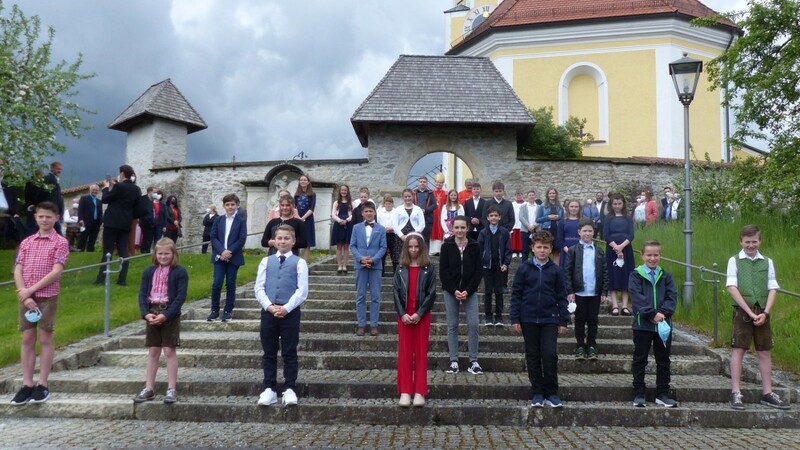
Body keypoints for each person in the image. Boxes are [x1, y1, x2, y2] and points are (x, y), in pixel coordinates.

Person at [10, 201, 69, 405]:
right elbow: (18, 269)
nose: (44, 220)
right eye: (41, 216)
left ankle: (42, 384)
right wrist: (24, 295)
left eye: (48, 217)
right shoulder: (27, 242)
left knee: (45, 338)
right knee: (27, 338)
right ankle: (27, 384)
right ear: (35, 217)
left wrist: (31, 290)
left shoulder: (60, 242)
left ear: (56, 218)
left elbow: (56, 271)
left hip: (47, 296)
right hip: (26, 298)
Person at [726, 225, 790, 410]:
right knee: (739, 349)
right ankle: (735, 392)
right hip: (743, 311)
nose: (751, 245)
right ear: (741, 242)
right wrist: (750, 312)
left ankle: (767, 393)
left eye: (754, 242)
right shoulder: (734, 260)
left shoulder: (767, 261)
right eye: (747, 242)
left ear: (759, 241)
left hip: (762, 311)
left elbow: (773, 287)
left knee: (764, 351)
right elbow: (731, 287)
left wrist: (765, 312)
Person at [510, 230, 569, 408]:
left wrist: (563, 320)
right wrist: (515, 318)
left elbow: (562, 296)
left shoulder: (556, 271)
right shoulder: (524, 268)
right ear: (532, 248)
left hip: (549, 319)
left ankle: (551, 392)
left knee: (549, 355)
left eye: (545, 247)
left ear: (551, 249)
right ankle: (537, 392)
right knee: (533, 356)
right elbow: (516, 295)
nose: (542, 250)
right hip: (528, 318)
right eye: (539, 247)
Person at [255, 225, 309, 407]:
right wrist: (269, 306)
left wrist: (286, 308)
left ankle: (290, 387)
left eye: (287, 238)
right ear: (274, 241)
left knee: (289, 351)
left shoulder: (300, 263)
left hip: (290, 313)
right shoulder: (266, 262)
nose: (283, 241)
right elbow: (259, 287)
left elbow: (302, 291)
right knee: (269, 351)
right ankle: (269, 387)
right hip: (269, 312)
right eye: (279, 238)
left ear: (293, 241)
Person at [132, 238, 188, 405]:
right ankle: (149, 387)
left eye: (167, 253)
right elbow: (142, 294)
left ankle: (171, 388)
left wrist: (168, 314)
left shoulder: (180, 272)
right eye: (160, 253)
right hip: (152, 311)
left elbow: (180, 297)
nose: (163, 256)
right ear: (155, 254)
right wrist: (145, 313)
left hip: (169, 313)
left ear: (173, 254)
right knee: (153, 351)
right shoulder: (149, 272)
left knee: (169, 350)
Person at [629, 240, 678, 408]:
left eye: (656, 255)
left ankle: (663, 393)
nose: (652, 258)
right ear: (642, 255)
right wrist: (651, 313)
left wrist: (662, 314)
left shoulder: (666, 276)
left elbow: (672, 297)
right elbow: (637, 297)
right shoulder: (635, 275)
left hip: (663, 325)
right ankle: (639, 393)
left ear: (660, 256)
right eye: (649, 255)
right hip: (643, 325)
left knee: (663, 360)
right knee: (640, 359)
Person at [393, 233, 437, 407]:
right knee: (404, 352)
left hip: (422, 315)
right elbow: (395, 292)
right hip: (404, 315)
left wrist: (419, 313)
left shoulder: (429, 267)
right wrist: (402, 313)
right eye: (410, 246)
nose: (413, 250)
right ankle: (405, 391)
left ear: (421, 248)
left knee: (420, 353)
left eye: (416, 246)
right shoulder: (400, 268)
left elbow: (431, 293)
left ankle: (419, 391)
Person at [440, 216, 483, 375]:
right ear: (452, 229)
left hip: (469, 291)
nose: (459, 231)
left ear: (467, 228)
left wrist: (468, 290)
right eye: (456, 227)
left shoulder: (475, 245)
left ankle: (473, 360)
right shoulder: (446, 246)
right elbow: (443, 271)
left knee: (473, 324)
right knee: (452, 326)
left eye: (462, 227)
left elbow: (479, 271)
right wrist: (454, 290)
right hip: (451, 290)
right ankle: (454, 360)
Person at [564, 218, 608, 360]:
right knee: (580, 319)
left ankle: (592, 345)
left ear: (594, 232)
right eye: (585, 231)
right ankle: (580, 345)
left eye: (590, 231)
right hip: (579, 291)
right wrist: (570, 291)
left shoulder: (599, 251)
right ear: (579, 232)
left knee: (593, 319)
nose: (587, 233)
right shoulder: (573, 250)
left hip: (594, 291)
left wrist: (604, 291)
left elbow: (605, 272)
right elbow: (567, 271)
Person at [94, 165, 141, 286]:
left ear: (122, 174)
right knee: (123, 251)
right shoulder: (136, 189)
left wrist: (105, 187)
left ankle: (101, 279)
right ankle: (122, 279)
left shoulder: (119, 186)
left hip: (112, 221)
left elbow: (105, 199)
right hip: (125, 222)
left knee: (107, 250)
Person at [207, 194, 247, 323]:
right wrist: (222, 251)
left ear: (237, 205)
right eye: (227, 204)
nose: (230, 207)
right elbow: (213, 237)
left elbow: (241, 239)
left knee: (230, 284)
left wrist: (230, 251)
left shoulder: (240, 221)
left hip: (233, 257)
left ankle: (228, 311)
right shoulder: (218, 220)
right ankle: (214, 310)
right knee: (216, 283)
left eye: (232, 204)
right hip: (219, 256)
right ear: (224, 206)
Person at [349, 201, 387, 336]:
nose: (369, 213)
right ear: (362, 213)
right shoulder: (356, 228)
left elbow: (383, 247)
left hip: (376, 266)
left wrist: (374, 259)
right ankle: (361, 324)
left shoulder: (381, 229)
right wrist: (361, 258)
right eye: (366, 211)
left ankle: (374, 325)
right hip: (360, 265)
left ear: (375, 212)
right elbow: (352, 246)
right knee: (360, 296)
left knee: (375, 296)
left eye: (371, 211)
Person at [477, 205, 511, 326]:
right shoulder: (483, 232)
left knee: (499, 291)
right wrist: (481, 263)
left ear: (499, 217)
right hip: (487, 265)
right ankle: (488, 316)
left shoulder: (504, 232)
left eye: (496, 215)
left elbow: (508, 249)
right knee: (488, 291)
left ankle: (499, 317)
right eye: (491, 215)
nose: (493, 218)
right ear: (487, 217)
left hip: (500, 265)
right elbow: (479, 249)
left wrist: (506, 263)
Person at [604, 193, 635, 316]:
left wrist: (621, 246)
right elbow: (606, 234)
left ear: (623, 204)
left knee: (626, 274)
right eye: (615, 204)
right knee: (613, 274)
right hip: (612, 249)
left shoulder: (628, 218)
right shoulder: (608, 218)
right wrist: (616, 247)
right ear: (611, 205)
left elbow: (631, 235)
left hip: (626, 249)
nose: (617, 206)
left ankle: (625, 306)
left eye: (619, 204)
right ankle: (615, 305)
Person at [393, 188, 425, 267]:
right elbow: (394, 224)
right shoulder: (398, 209)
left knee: (413, 256)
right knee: (399, 258)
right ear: (403, 197)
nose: (407, 198)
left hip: (415, 236)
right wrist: (401, 236)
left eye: (409, 196)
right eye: (406, 197)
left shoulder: (418, 209)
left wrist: (415, 234)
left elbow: (422, 224)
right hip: (401, 238)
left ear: (413, 196)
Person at [535, 188, 565, 265]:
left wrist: (558, 218)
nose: (552, 195)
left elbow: (563, 219)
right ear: (547, 195)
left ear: (556, 194)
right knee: (546, 250)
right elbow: (538, 219)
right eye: (550, 193)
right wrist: (548, 217)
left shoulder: (560, 206)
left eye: (553, 193)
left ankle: (556, 269)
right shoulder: (542, 206)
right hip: (546, 231)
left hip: (557, 230)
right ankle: (545, 267)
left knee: (556, 251)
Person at [330, 184, 353, 275]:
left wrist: (347, 220)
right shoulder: (336, 202)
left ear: (347, 191)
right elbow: (333, 214)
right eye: (342, 190)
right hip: (338, 225)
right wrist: (340, 220)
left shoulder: (351, 203)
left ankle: (345, 265)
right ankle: (339, 265)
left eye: (345, 190)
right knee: (339, 246)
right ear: (340, 191)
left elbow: (353, 214)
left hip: (348, 225)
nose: (343, 192)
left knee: (346, 246)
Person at [294, 174, 316, 260]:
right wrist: (297, 217)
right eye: (301, 180)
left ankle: (304, 263)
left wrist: (302, 218)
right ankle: (296, 261)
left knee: (307, 242)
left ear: (308, 182)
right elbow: (294, 207)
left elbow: (312, 208)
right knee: (297, 240)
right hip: (297, 218)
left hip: (308, 218)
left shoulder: (312, 194)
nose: (303, 181)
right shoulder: (296, 194)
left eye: (305, 180)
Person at [556, 199, 582, 268]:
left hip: (580, 248)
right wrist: (566, 249)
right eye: (572, 206)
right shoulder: (562, 221)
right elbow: (559, 237)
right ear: (568, 208)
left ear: (579, 208)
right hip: (566, 248)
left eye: (576, 207)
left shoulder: (583, 221)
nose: (574, 208)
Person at [377, 194, 399, 277]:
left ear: (392, 204)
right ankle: (381, 272)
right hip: (383, 235)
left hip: (393, 234)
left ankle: (395, 273)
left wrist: (392, 228)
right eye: (386, 204)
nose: (388, 205)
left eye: (390, 204)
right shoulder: (380, 212)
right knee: (382, 254)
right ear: (384, 204)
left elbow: (398, 223)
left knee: (394, 254)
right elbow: (377, 223)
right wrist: (383, 229)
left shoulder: (396, 212)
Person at [77, 184, 102, 252]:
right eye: (93, 190)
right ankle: (80, 251)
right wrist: (81, 219)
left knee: (93, 239)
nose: (95, 191)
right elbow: (80, 210)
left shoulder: (99, 201)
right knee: (83, 238)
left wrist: (100, 221)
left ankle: (90, 251)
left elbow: (100, 212)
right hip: (86, 222)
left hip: (96, 223)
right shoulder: (84, 198)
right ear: (90, 190)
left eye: (96, 190)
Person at [413, 176, 437, 247]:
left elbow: (434, 205)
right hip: (416, 220)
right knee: (416, 238)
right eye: (421, 182)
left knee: (426, 239)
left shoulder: (430, 193)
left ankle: (425, 257)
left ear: (426, 183)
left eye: (424, 182)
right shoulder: (414, 193)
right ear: (418, 183)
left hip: (427, 219)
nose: (422, 183)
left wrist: (425, 210)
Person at [517, 190, 540, 262]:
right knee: (525, 250)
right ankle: (524, 266)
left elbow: (540, 218)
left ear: (535, 196)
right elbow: (521, 217)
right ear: (527, 197)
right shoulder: (523, 206)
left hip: (536, 231)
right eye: (530, 195)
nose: (531, 196)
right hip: (525, 230)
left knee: (536, 249)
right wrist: (528, 226)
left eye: (533, 195)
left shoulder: (539, 207)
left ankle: (536, 264)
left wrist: (534, 225)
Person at [43, 162, 64, 235]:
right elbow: (46, 194)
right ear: (52, 168)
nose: (60, 171)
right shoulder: (48, 178)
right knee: (57, 229)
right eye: (58, 169)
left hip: (55, 210)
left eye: (61, 169)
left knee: (56, 228)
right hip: (50, 209)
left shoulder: (56, 180)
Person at [429, 173, 447, 255]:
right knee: (433, 230)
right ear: (434, 182)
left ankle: (440, 250)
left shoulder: (445, 194)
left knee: (441, 230)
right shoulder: (430, 193)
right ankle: (432, 250)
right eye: (437, 182)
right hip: (433, 215)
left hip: (441, 215)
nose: (439, 184)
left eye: (440, 183)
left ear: (443, 184)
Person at [138, 186, 158, 254]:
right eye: (154, 192)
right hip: (146, 222)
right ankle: (144, 251)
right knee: (147, 237)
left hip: (150, 222)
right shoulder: (144, 199)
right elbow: (145, 212)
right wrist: (151, 222)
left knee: (149, 238)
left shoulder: (151, 200)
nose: (156, 194)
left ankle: (147, 251)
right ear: (150, 192)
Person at [510, 190, 525, 258]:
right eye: (517, 194)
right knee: (514, 239)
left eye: (520, 194)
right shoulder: (512, 204)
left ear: (522, 195)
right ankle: (514, 252)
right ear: (515, 196)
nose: (519, 196)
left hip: (522, 224)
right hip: (515, 223)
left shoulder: (525, 204)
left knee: (521, 239)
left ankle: (521, 251)